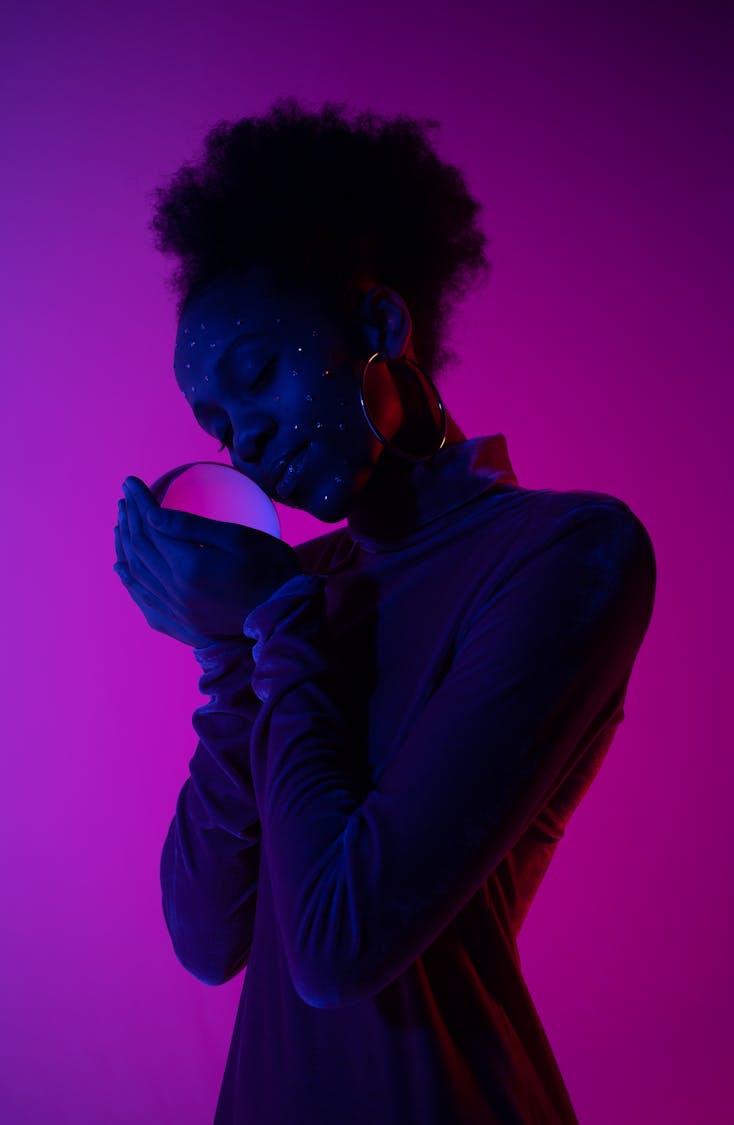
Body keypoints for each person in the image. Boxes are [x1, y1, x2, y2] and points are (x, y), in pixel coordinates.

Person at [113, 97, 657, 1124]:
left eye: (260, 376)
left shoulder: (567, 552)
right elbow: (204, 936)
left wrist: (272, 615)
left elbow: (338, 947)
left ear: (380, 323)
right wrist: (232, 656)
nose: (247, 445)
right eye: (219, 424)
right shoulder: (296, 598)